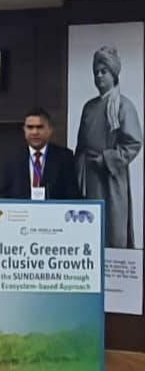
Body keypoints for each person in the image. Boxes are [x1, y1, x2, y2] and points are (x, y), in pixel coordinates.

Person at [75, 46, 144, 248]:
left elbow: (133, 143)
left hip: (112, 178)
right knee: (88, 229)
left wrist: (106, 159)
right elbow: (81, 145)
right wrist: (79, 168)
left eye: (103, 71)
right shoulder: (89, 107)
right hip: (88, 177)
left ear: (114, 74)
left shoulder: (123, 106)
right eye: (96, 72)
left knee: (113, 228)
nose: (99, 76)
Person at [0, 107, 80, 200]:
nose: (35, 132)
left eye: (40, 127)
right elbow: (2, 195)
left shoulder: (64, 157)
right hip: (21, 209)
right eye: (30, 127)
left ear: (50, 129)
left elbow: (73, 196)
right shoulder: (12, 158)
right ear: (24, 130)